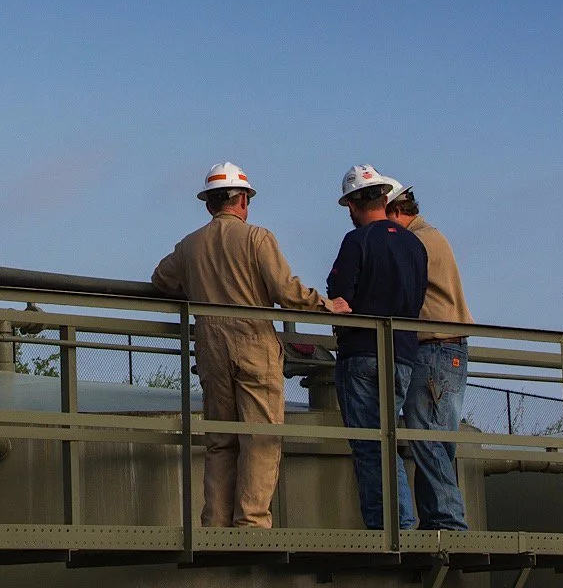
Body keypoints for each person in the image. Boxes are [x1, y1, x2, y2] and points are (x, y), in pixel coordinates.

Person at [152, 162, 350, 528]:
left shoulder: (190, 246)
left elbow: (161, 280)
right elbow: (286, 292)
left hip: (210, 344)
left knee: (221, 440)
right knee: (261, 437)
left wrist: (198, 285)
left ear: (210, 204)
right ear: (243, 199)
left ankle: (215, 522)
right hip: (254, 341)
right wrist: (326, 305)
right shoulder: (257, 238)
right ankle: (252, 522)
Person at [327, 164, 428, 532]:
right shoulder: (414, 245)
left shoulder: (357, 242)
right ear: (385, 198)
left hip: (362, 354)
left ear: (353, 204)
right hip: (403, 355)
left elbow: (341, 298)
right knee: (390, 440)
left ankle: (391, 527)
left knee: (370, 445)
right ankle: (400, 521)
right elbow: (417, 300)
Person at [389, 182, 474, 530]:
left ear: (395, 212)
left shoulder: (416, 242)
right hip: (447, 349)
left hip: (433, 348)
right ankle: (439, 521)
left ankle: (448, 522)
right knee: (436, 439)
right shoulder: (431, 236)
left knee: (428, 438)